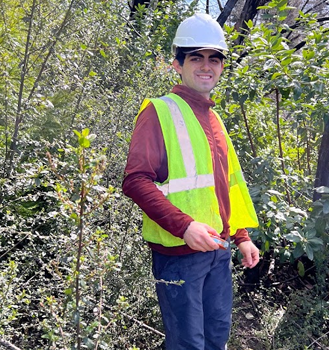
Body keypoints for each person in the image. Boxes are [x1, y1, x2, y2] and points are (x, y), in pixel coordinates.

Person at [122, 12, 260, 350]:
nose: (205, 66)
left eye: (214, 58)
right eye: (195, 57)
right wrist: (185, 227)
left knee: (216, 338)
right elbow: (135, 181)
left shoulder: (215, 119)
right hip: (178, 253)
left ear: (222, 67)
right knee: (187, 343)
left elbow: (224, 189)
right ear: (177, 64)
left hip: (218, 251)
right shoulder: (159, 111)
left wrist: (241, 237)